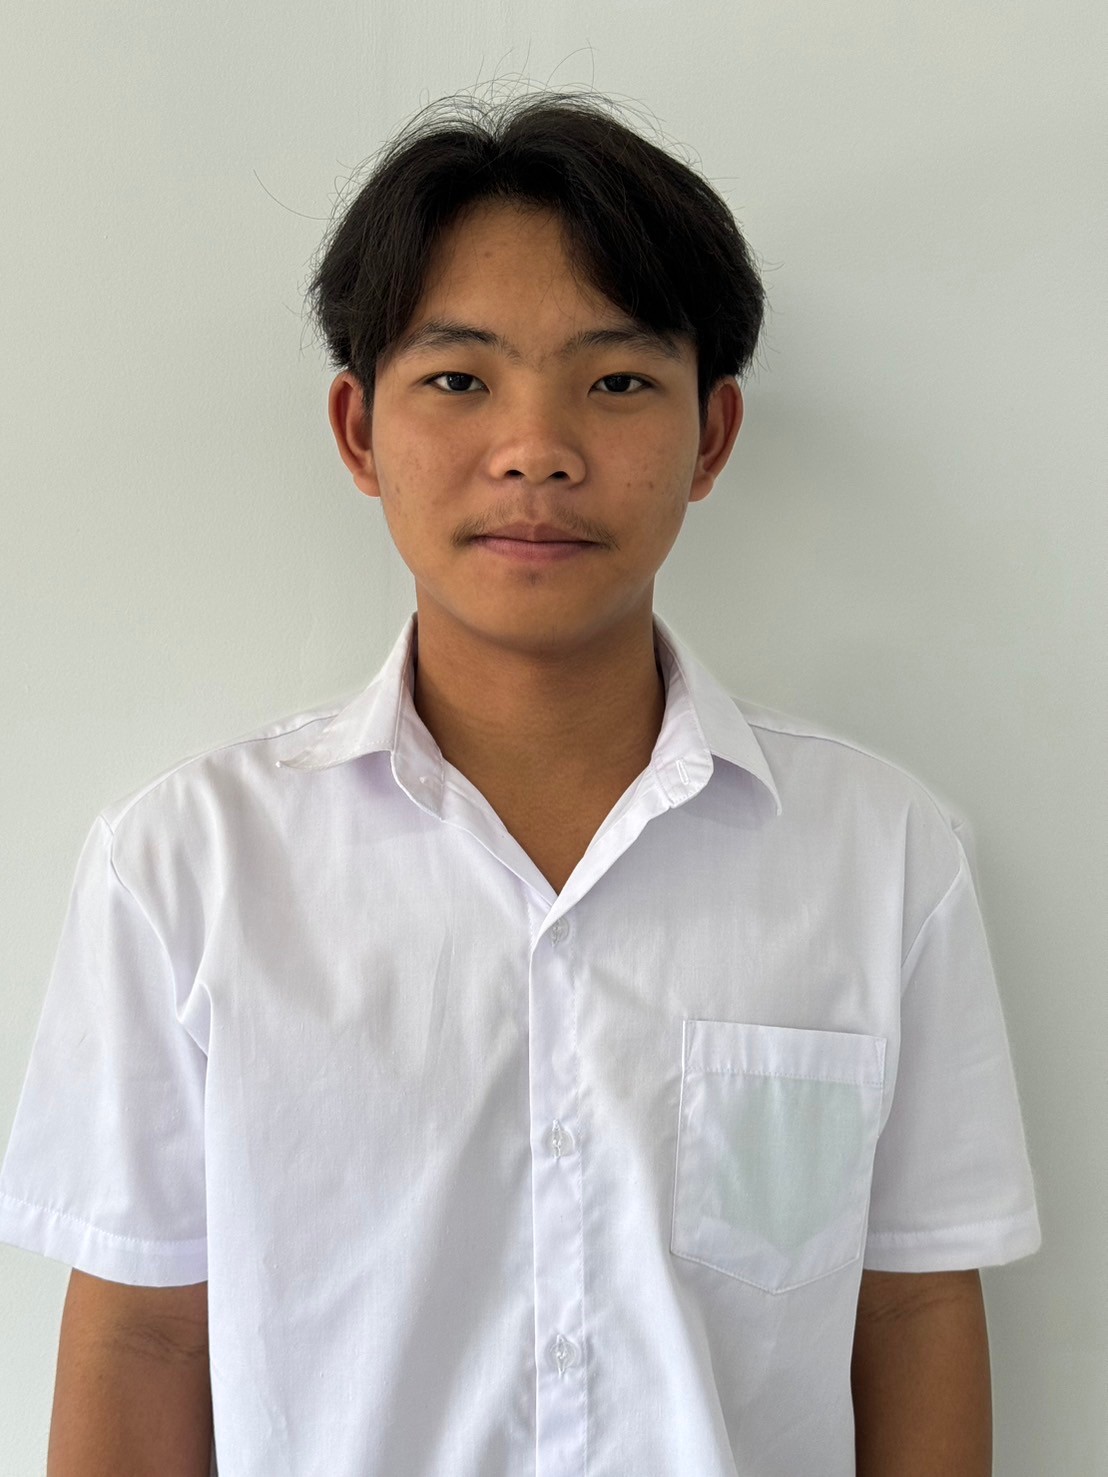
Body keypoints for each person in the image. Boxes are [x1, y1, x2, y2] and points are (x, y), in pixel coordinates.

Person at [0, 89, 1040, 1477]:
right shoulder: (187, 866)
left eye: (617, 382)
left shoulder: (882, 856)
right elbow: (143, 1337)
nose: (536, 447)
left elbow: (910, 1311)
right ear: (358, 431)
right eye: (460, 379)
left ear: (712, 435)